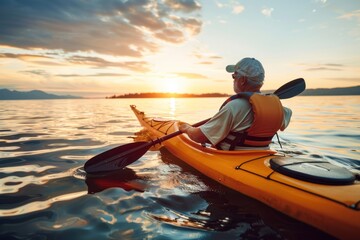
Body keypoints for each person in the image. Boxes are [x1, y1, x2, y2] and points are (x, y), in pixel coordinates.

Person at [179, 57, 292, 150]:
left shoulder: (234, 107)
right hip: (262, 158)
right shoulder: (280, 109)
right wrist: (269, 102)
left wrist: (187, 128)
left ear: (242, 80)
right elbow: (288, 112)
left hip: (232, 160)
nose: (233, 80)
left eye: (234, 76)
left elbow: (199, 137)